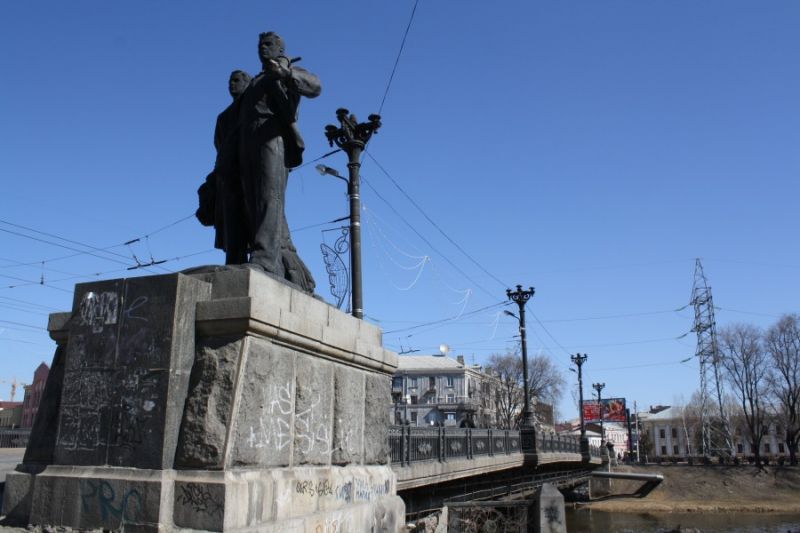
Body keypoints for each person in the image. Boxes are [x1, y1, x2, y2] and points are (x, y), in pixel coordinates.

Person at [234, 31, 321, 292]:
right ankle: (263, 256)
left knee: (269, 198)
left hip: (272, 140)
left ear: (280, 48)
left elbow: (315, 86)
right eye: (260, 44)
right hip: (248, 144)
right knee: (251, 203)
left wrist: (286, 74)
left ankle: (265, 260)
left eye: (269, 44)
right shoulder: (255, 81)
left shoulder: (286, 70)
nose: (263, 47)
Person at [196, 70, 252, 264]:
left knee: (250, 215)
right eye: (230, 81)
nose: (232, 84)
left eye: (237, 80)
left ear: (248, 83)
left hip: (248, 170)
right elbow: (219, 145)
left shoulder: (252, 107)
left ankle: (254, 256)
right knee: (230, 218)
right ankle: (234, 257)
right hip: (226, 172)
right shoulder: (223, 117)